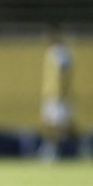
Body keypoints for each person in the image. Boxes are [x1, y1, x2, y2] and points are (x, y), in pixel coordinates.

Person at [39, 23, 76, 161]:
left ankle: (51, 151)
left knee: (60, 126)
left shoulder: (61, 53)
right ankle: (51, 149)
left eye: (47, 35)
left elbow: (64, 73)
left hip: (59, 96)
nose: (45, 38)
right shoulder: (51, 52)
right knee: (53, 125)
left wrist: (61, 93)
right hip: (50, 95)